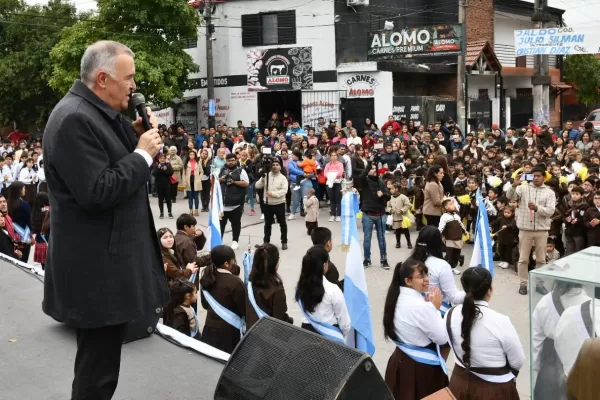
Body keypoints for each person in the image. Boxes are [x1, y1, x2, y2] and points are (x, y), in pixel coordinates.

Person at [42, 41, 168, 400]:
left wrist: (138, 139)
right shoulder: (74, 119)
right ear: (102, 79)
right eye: (128, 78)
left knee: (101, 369)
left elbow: (114, 167)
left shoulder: (97, 115)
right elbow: (98, 190)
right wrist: (142, 153)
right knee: (96, 376)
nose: (134, 86)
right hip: (96, 274)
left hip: (106, 269)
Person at [444, 267, 524, 399]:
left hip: (459, 384)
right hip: (494, 391)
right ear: (489, 291)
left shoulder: (449, 314)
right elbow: (518, 360)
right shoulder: (500, 321)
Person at [383, 259, 449, 399]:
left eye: (427, 274)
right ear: (408, 281)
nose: (426, 279)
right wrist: (435, 309)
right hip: (420, 368)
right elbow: (442, 338)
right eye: (421, 276)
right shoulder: (422, 306)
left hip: (399, 361)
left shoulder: (396, 296)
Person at [531, 281, 588, 400]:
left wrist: (537, 371)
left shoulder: (544, 302)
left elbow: (536, 344)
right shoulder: (592, 306)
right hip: (580, 369)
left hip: (550, 368)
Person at [506, 165, 556, 295]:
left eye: (539, 176)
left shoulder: (549, 192)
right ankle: (523, 283)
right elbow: (510, 197)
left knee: (541, 259)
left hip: (541, 230)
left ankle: (539, 284)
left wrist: (537, 208)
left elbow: (550, 211)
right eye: (533, 176)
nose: (536, 178)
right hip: (525, 229)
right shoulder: (522, 188)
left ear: (544, 177)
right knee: (523, 259)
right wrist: (514, 185)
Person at [295, 245, 350, 341]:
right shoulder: (333, 290)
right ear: (324, 266)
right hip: (329, 338)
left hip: (305, 335)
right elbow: (345, 324)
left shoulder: (299, 287)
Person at [407, 226, 465, 315]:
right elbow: (455, 298)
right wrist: (472, 290)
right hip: (437, 312)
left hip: (413, 311)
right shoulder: (442, 265)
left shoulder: (408, 262)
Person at [199, 245, 246, 354]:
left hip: (209, 328)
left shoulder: (206, 278)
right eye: (232, 260)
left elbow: (205, 304)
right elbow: (244, 310)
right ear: (226, 263)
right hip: (229, 331)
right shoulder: (235, 282)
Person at [245, 243, 293, 330]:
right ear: (274, 264)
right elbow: (279, 319)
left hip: (251, 332)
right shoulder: (276, 289)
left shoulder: (250, 282)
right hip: (268, 335)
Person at [357, 161, 391, 269]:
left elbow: (389, 196)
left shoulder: (380, 182)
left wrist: (383, 194)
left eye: (374, 169)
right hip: (368, 213)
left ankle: (383, 259)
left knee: (381, 238)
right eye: (371, 169)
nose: (373, 171)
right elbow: (360, 177)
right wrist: (369, 164)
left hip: (380, 213)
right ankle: (367, 259)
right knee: (367, 238)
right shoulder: (365, 181)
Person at [254, 157, 289, 250]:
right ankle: (266, 241)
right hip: (268, 204)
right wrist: (262, 178)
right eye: (273, 165)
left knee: (282, 223)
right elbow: (257, 185)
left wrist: (272, 194)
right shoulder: (266, 175)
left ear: (280, 167)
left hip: (279, 203)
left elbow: (284, 191)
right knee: (267, 224)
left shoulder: (283, 178)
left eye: (277, 165)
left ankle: (284, 241)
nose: (275, 166)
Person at [219, 153, 249, 250]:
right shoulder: (222, 169)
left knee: (235, 224)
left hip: (236, 204)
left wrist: (234, 182)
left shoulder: (241, 170)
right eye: (228, 160)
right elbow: (216, 180)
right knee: (221, 225)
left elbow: (246, 183)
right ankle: (219, 241)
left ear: (236, 160)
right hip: (222, 204)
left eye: (232, 160)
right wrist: (221, 179)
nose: (230, 162)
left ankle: (235, 241)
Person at [152, 153, 174, 219]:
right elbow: (154, 173)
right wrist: (158, 168)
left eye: (163, 158)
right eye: (161, 158)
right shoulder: (156, 165)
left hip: (167, 184)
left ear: (165, 159)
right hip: (159, 185)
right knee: (160, 199)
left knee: (168, 199)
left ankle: (170, 212)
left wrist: (165, 169)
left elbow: (170, 173)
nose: (162, 159)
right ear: (159, 159)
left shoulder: (168, 164)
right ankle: (161, 213)